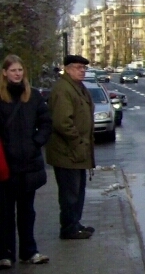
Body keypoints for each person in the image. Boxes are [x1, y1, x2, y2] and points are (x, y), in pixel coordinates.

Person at [0, 55, 53, 268]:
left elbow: (46, 122)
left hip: (28, 165)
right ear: (4, 73)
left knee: (27, 211)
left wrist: (37, 142)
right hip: (5, 166)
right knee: (4, 213)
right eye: (13, 70)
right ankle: (5, 253)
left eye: (20, 70)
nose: (17, 74)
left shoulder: (33, 97)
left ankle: (29, 251)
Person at [45, 55, 96, 240]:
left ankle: (75, 223)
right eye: (77, 67)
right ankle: (69, 228)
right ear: (67, 69)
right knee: (70, 193)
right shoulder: (63, 89)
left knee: (77, 190)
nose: (82, 70)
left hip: (76, 152)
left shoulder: (77, 87)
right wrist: (78, 143)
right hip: (67, 152)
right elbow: (62, 122)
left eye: (83, 67)